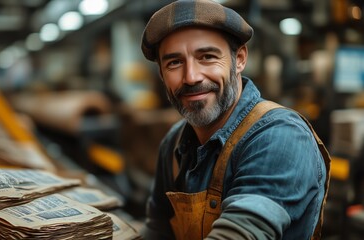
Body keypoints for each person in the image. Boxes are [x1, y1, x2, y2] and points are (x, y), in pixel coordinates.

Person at [140, 0, 331, 239]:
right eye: (174, 62)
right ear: (161, 73)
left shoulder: (281, 137)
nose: (191, 77)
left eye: (207, 56)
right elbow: (157, 232)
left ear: (239, 59)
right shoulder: (174, 145)